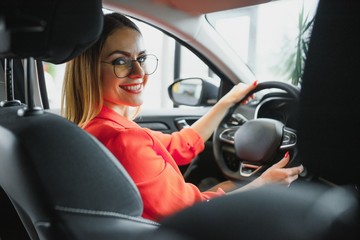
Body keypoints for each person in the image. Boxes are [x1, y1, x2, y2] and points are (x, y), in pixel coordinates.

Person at [61, 12, 304, 222]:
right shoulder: (124, 141)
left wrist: (228, 101)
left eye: (142, 59)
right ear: (90, 69)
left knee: (223, 184)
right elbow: (191, 213)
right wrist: (261, 186)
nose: (138, 72)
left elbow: (180, 145)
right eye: (120, 61)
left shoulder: (98, 129)